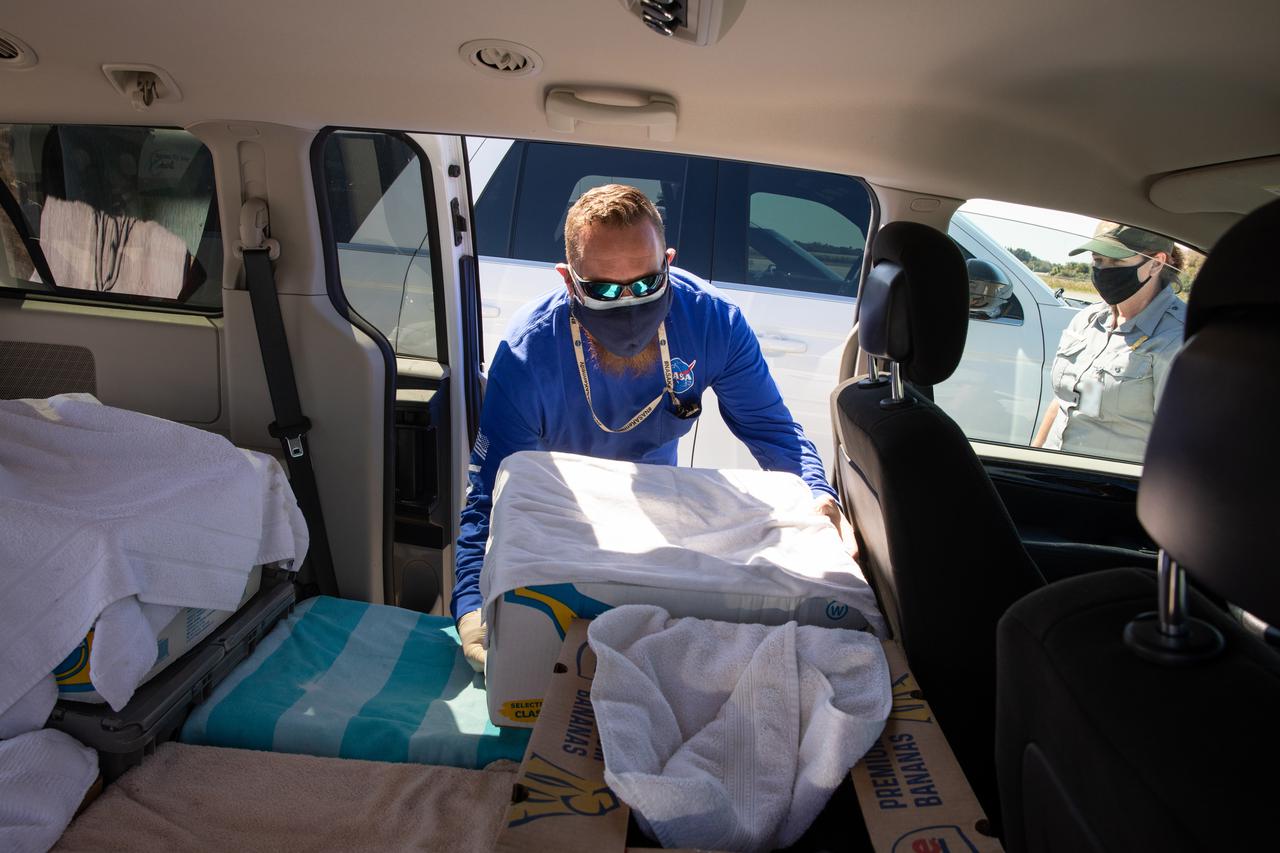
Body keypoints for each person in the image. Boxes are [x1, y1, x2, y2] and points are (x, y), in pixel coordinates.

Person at [453, 184, 856, 670]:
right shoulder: (527, 354)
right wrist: (473, 601)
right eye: (602, 290)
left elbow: (772, 431)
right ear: (568, 280)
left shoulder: (712, 323)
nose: (628, 306)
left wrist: (819, 495)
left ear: (667, 262)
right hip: (564, 519)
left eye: (645, 285)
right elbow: (491, 491)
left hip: (659, 513)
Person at [1031, 222, 1187, 462]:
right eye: (1098, 260)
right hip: (1053, 475)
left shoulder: (1176, 338)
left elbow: (1180, 442)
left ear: (1156, 263)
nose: (1103, 270)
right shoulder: (1086, 319)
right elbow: (1064, 402)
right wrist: (1033, 457)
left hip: (1110, 489)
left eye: (1116, 261)